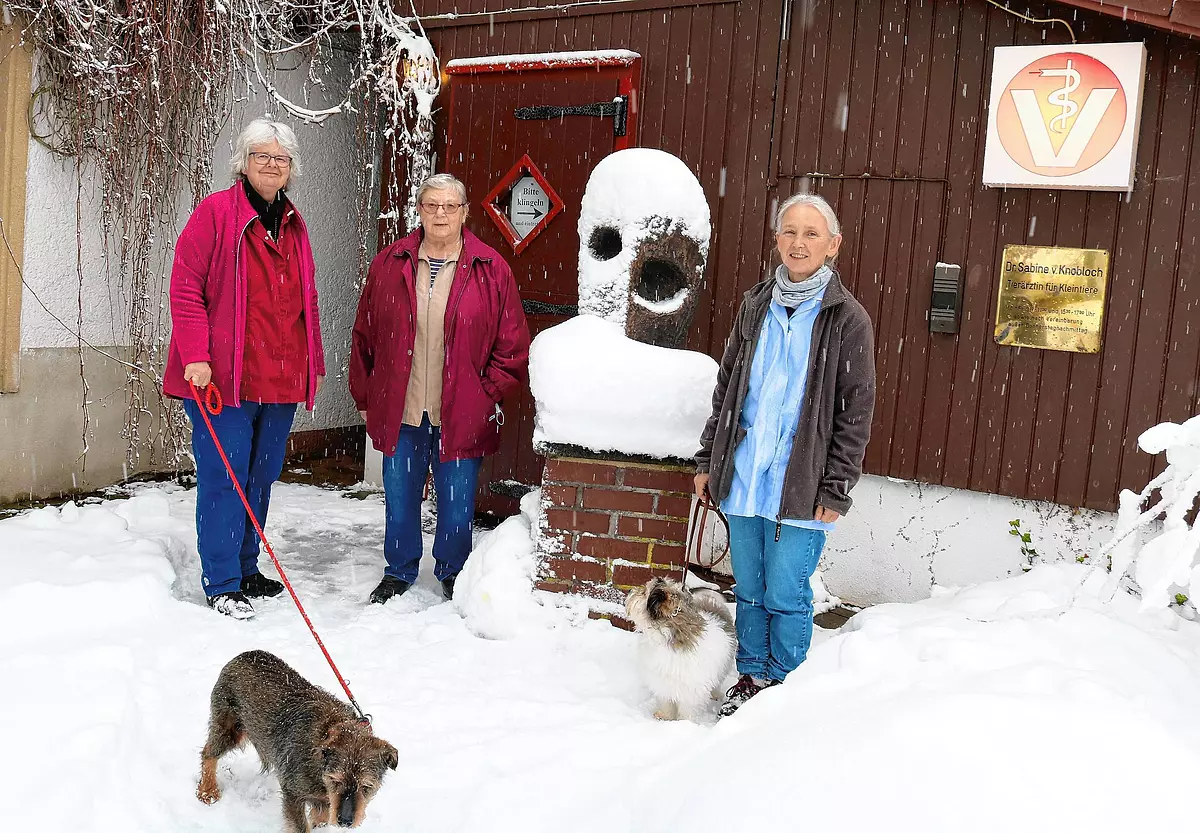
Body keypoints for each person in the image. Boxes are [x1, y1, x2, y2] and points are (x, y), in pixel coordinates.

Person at [695, 193, 875, 716]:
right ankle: (752, 675)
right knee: (748, 587)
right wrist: (709, 460)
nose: (799, 242)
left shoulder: (847, 319)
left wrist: (836, 486)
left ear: (833, 245)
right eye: (790, 231)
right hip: (746, 473)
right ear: (776, 240)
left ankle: (789, 687)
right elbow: (728, 387)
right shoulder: (755, 305)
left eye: (811, 233)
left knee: (786, 590)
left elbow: (855, 411)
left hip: (804, 483)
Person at [164, 117, 326, 620]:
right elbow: (186, 288)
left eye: (281, 159)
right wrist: (196, 356)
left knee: (260, 475)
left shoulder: (294, 224)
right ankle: (222, 580)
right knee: (224, 476)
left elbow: (306, 300)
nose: (272, 166)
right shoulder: (215, 215)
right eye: (262, 157)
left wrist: (310, 362)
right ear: (244, 162)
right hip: (224, 378)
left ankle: (247, 566)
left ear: (290, 168)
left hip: (278, 376)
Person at [350, 173, 530, 605]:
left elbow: (513, 346)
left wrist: (485, 392)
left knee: (457, 502)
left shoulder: (491, 268)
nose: (440, 214)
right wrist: (366, 397)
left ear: (465, 212)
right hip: (403, 406)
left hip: (462, 410)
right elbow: (365, 335)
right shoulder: (390, 263)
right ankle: (399, 570)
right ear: (420, 210)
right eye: (431, 205)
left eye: (450, 206)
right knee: (399, 495)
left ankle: (454, 572)